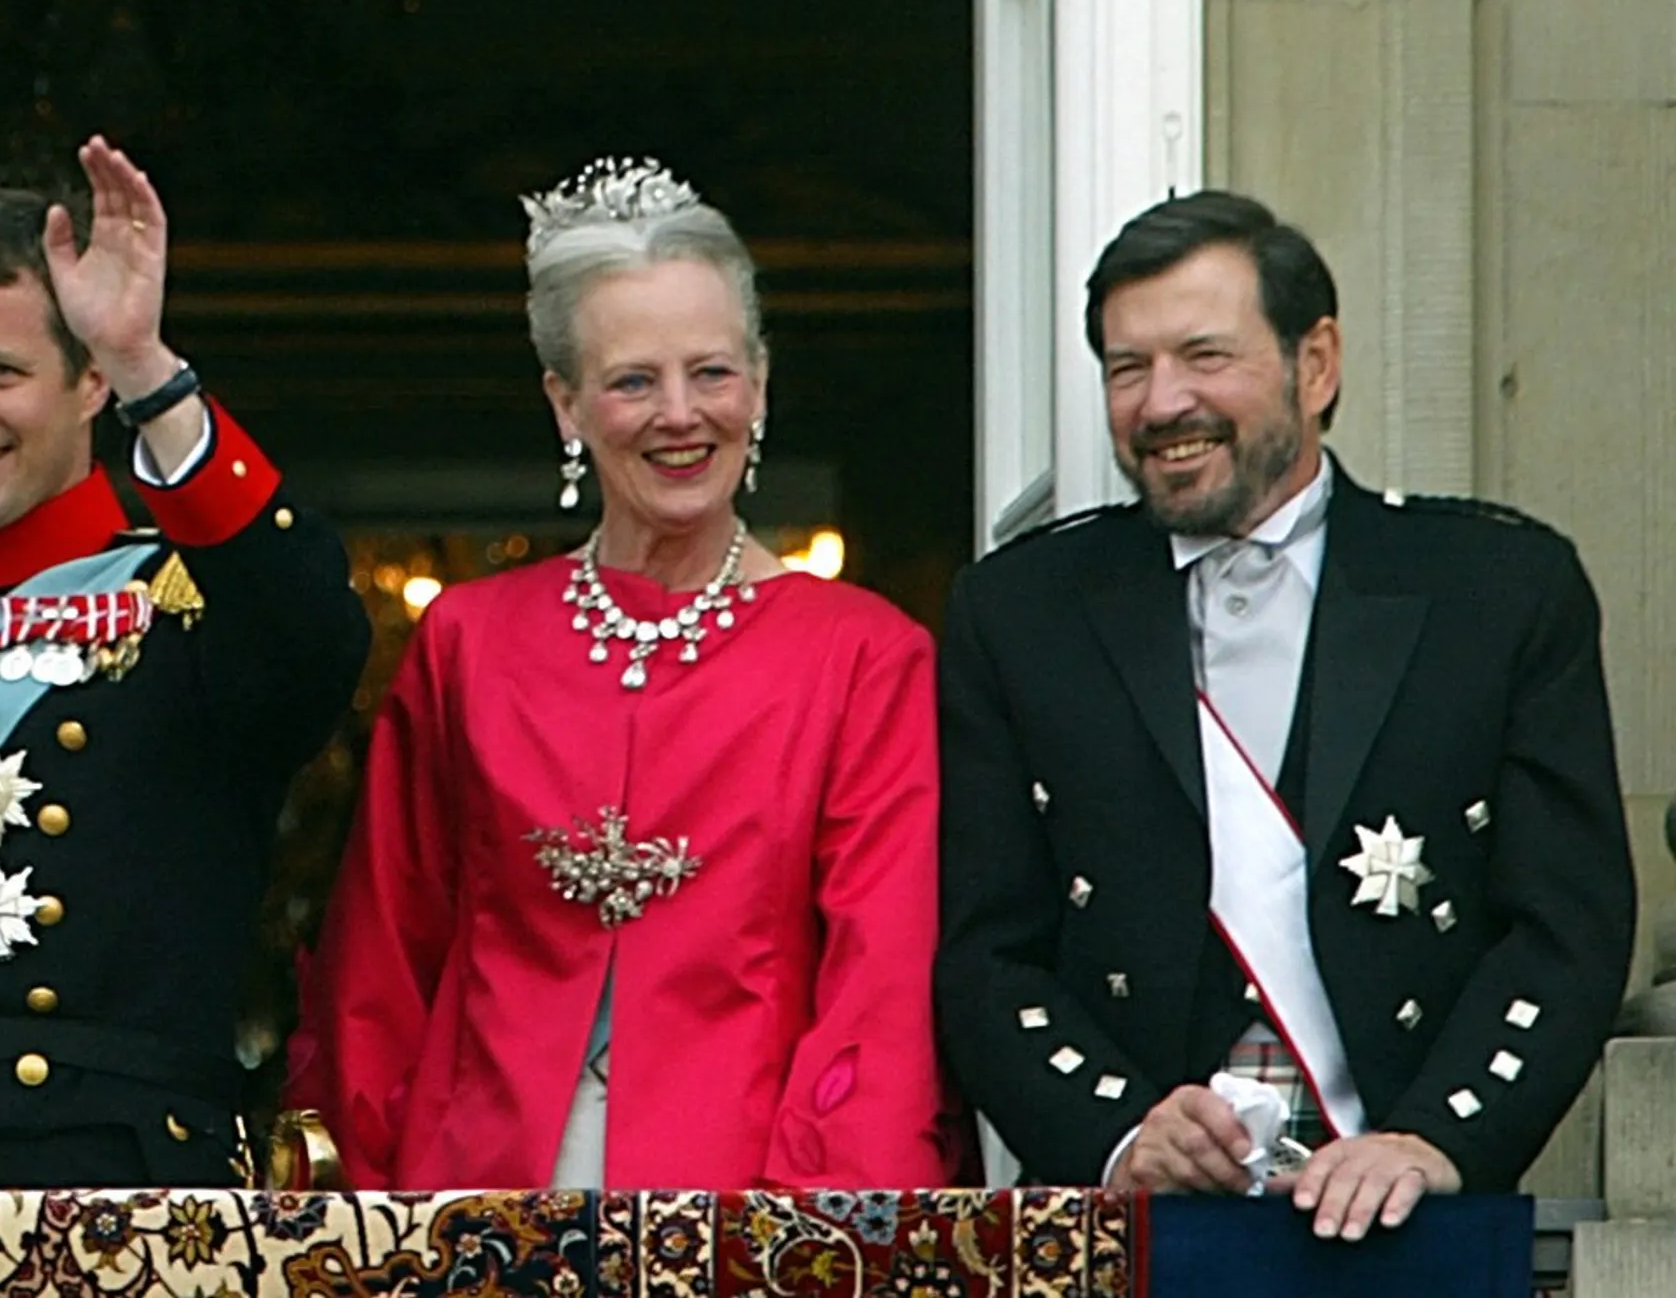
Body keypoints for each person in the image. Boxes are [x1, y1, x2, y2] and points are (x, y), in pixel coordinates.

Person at [937, 192, 1634, 1239]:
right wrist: (1119, 1132)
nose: (1162, 401)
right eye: (1128, 367)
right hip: (1134, 1236)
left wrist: (1439, 1139)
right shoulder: (1019, 614)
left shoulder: (1499, 592)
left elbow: (1566, 925)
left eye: (1203, 355)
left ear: (1316, 364)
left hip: (1406, 1225)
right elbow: (983, 950)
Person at [283, 159, 950, 1188]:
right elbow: (382, 959)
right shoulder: (470, 638)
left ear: (760, 385)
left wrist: (818, 1240)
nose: (679, 414)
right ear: (567, 404)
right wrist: (364, 1221)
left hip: (747, 1210)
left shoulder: (864, 654)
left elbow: (882, 987)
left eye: (712, 372)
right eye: (634, 380)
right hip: (474, 1199)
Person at [0, 139, 366, 1185]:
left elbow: (311, 631)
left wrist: (152, 372)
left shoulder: (190, 608)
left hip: (112, 1180)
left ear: (89, 380)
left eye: (0, 370)